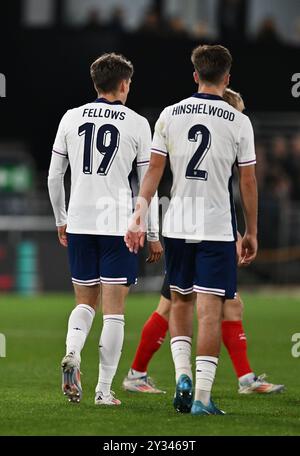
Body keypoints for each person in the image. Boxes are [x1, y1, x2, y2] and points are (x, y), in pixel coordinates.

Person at [123, 89, 284, 396]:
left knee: (219, 304)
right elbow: (232, 186)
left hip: (184, 226)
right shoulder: (230, 127)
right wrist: (245, 232)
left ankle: (242, 377)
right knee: (176, 306)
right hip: (207, 230)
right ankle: (140, 372)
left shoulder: (178, 119)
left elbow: (161, 172)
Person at [48, 52, 162, 406]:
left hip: (80, 221)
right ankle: (103, 391)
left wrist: (61, 219)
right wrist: (152, 233)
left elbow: (54, 176)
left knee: (85, 303)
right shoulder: (138, 123)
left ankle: (72, 352)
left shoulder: (70, 117)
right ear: (124, 83)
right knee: (114, 311)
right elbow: (148, 183)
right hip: (118, 224)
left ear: (95, 83)